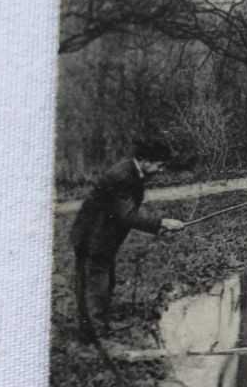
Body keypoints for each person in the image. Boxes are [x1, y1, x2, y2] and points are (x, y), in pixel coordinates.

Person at [69, 139, 185, 341]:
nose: (161, 170)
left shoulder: (131, 172)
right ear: (145, 161)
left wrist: (159, 228)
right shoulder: (124, 177)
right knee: (95, 286)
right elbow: (126, 216)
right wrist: (162, 223)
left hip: (102, 237)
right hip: (93, 238)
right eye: (159, 165)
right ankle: (97, 338)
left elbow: (122, 213)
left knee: (104, 282)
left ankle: (99, 327)